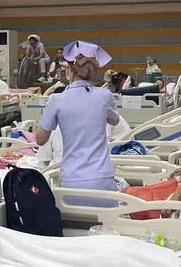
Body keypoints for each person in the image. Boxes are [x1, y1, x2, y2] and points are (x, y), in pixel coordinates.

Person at [35, 40, 123, 201]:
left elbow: (40, 139)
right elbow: (114, 121)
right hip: (102, 178)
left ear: (69, 69)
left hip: (72, 179)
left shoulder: (56, 100)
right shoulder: (104, 96)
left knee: (76, 223)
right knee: (105, 224)